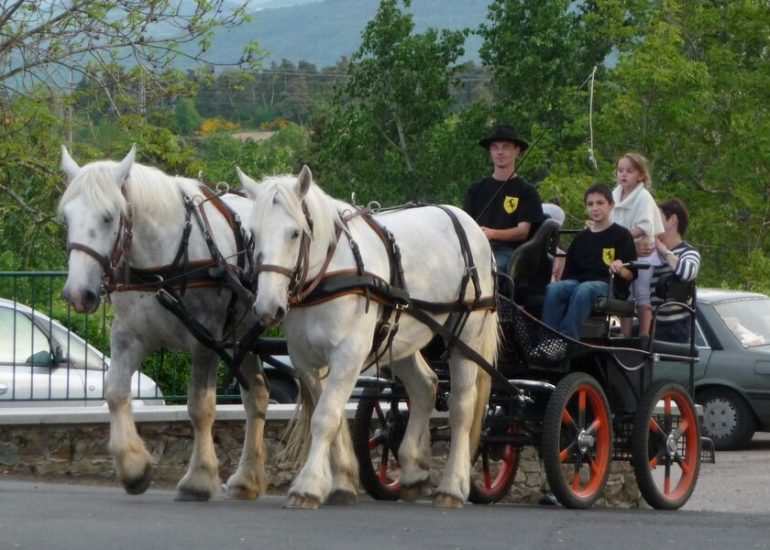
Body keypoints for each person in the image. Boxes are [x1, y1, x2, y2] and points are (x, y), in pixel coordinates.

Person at [541, 184, 637, 345]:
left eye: (600, 203)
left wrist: (620, 268)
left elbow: (631, 274)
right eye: (590, 204)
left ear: (611, 205)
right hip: (580, 282)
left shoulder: (622, 235)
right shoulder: (581, 238)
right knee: (554, 289)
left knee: (585, 289)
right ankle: (547, 340)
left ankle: (565, 340)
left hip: (610, 286)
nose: (595, 208)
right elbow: (568, 275)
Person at [463, 123, 545, 274]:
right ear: (490, 151)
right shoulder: (476, 189)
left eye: (506, 147)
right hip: (475, 249)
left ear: (516, 150)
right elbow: (466, 223)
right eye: (495, 147)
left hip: (509, 253)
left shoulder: (527, 191)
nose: (500, 152)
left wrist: (492, 234)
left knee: (489, 270)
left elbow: (522, 232)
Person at [611, 152, 664, 338]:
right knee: (626, 292)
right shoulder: (613, 196)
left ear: (640, 175)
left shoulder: (643, 197)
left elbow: (643, 227)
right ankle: (624, 333)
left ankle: (643, 333)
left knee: (641, 292)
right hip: (625, 252)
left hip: (643, 252)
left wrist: (619, 237)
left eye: (629, 171)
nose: (623, 174)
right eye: (620, 170)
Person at [650, 198, 701, 342]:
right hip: (653, 324)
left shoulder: (689, 252)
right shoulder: (651, 253)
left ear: (672, 220)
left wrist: (665, 252)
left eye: (657, 218)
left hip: (675, 328)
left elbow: (687, 273)